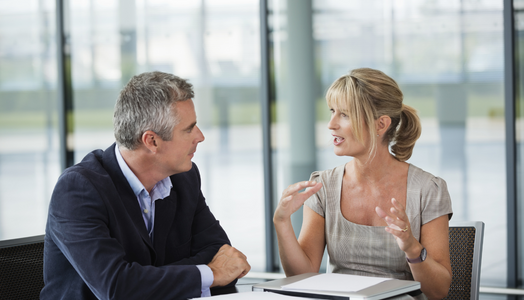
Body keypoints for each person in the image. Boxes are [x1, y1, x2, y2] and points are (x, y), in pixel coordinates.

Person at [40, 71, 251, 300]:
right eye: (189, 129)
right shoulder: (78, 190)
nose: (199, 137)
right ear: (151, 141)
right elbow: (117, 288)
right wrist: (209, 273)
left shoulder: (184, 178)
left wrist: (143, 279)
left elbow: (222, 253)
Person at [274, 68, 453, 300]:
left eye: (344, 115)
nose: (331, 124)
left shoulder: (428, 190)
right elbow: (303, 276)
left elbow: (439, 292)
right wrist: (282, 222)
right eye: (332, 111)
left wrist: (411, 246)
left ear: (381, 125)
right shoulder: (323, 186)